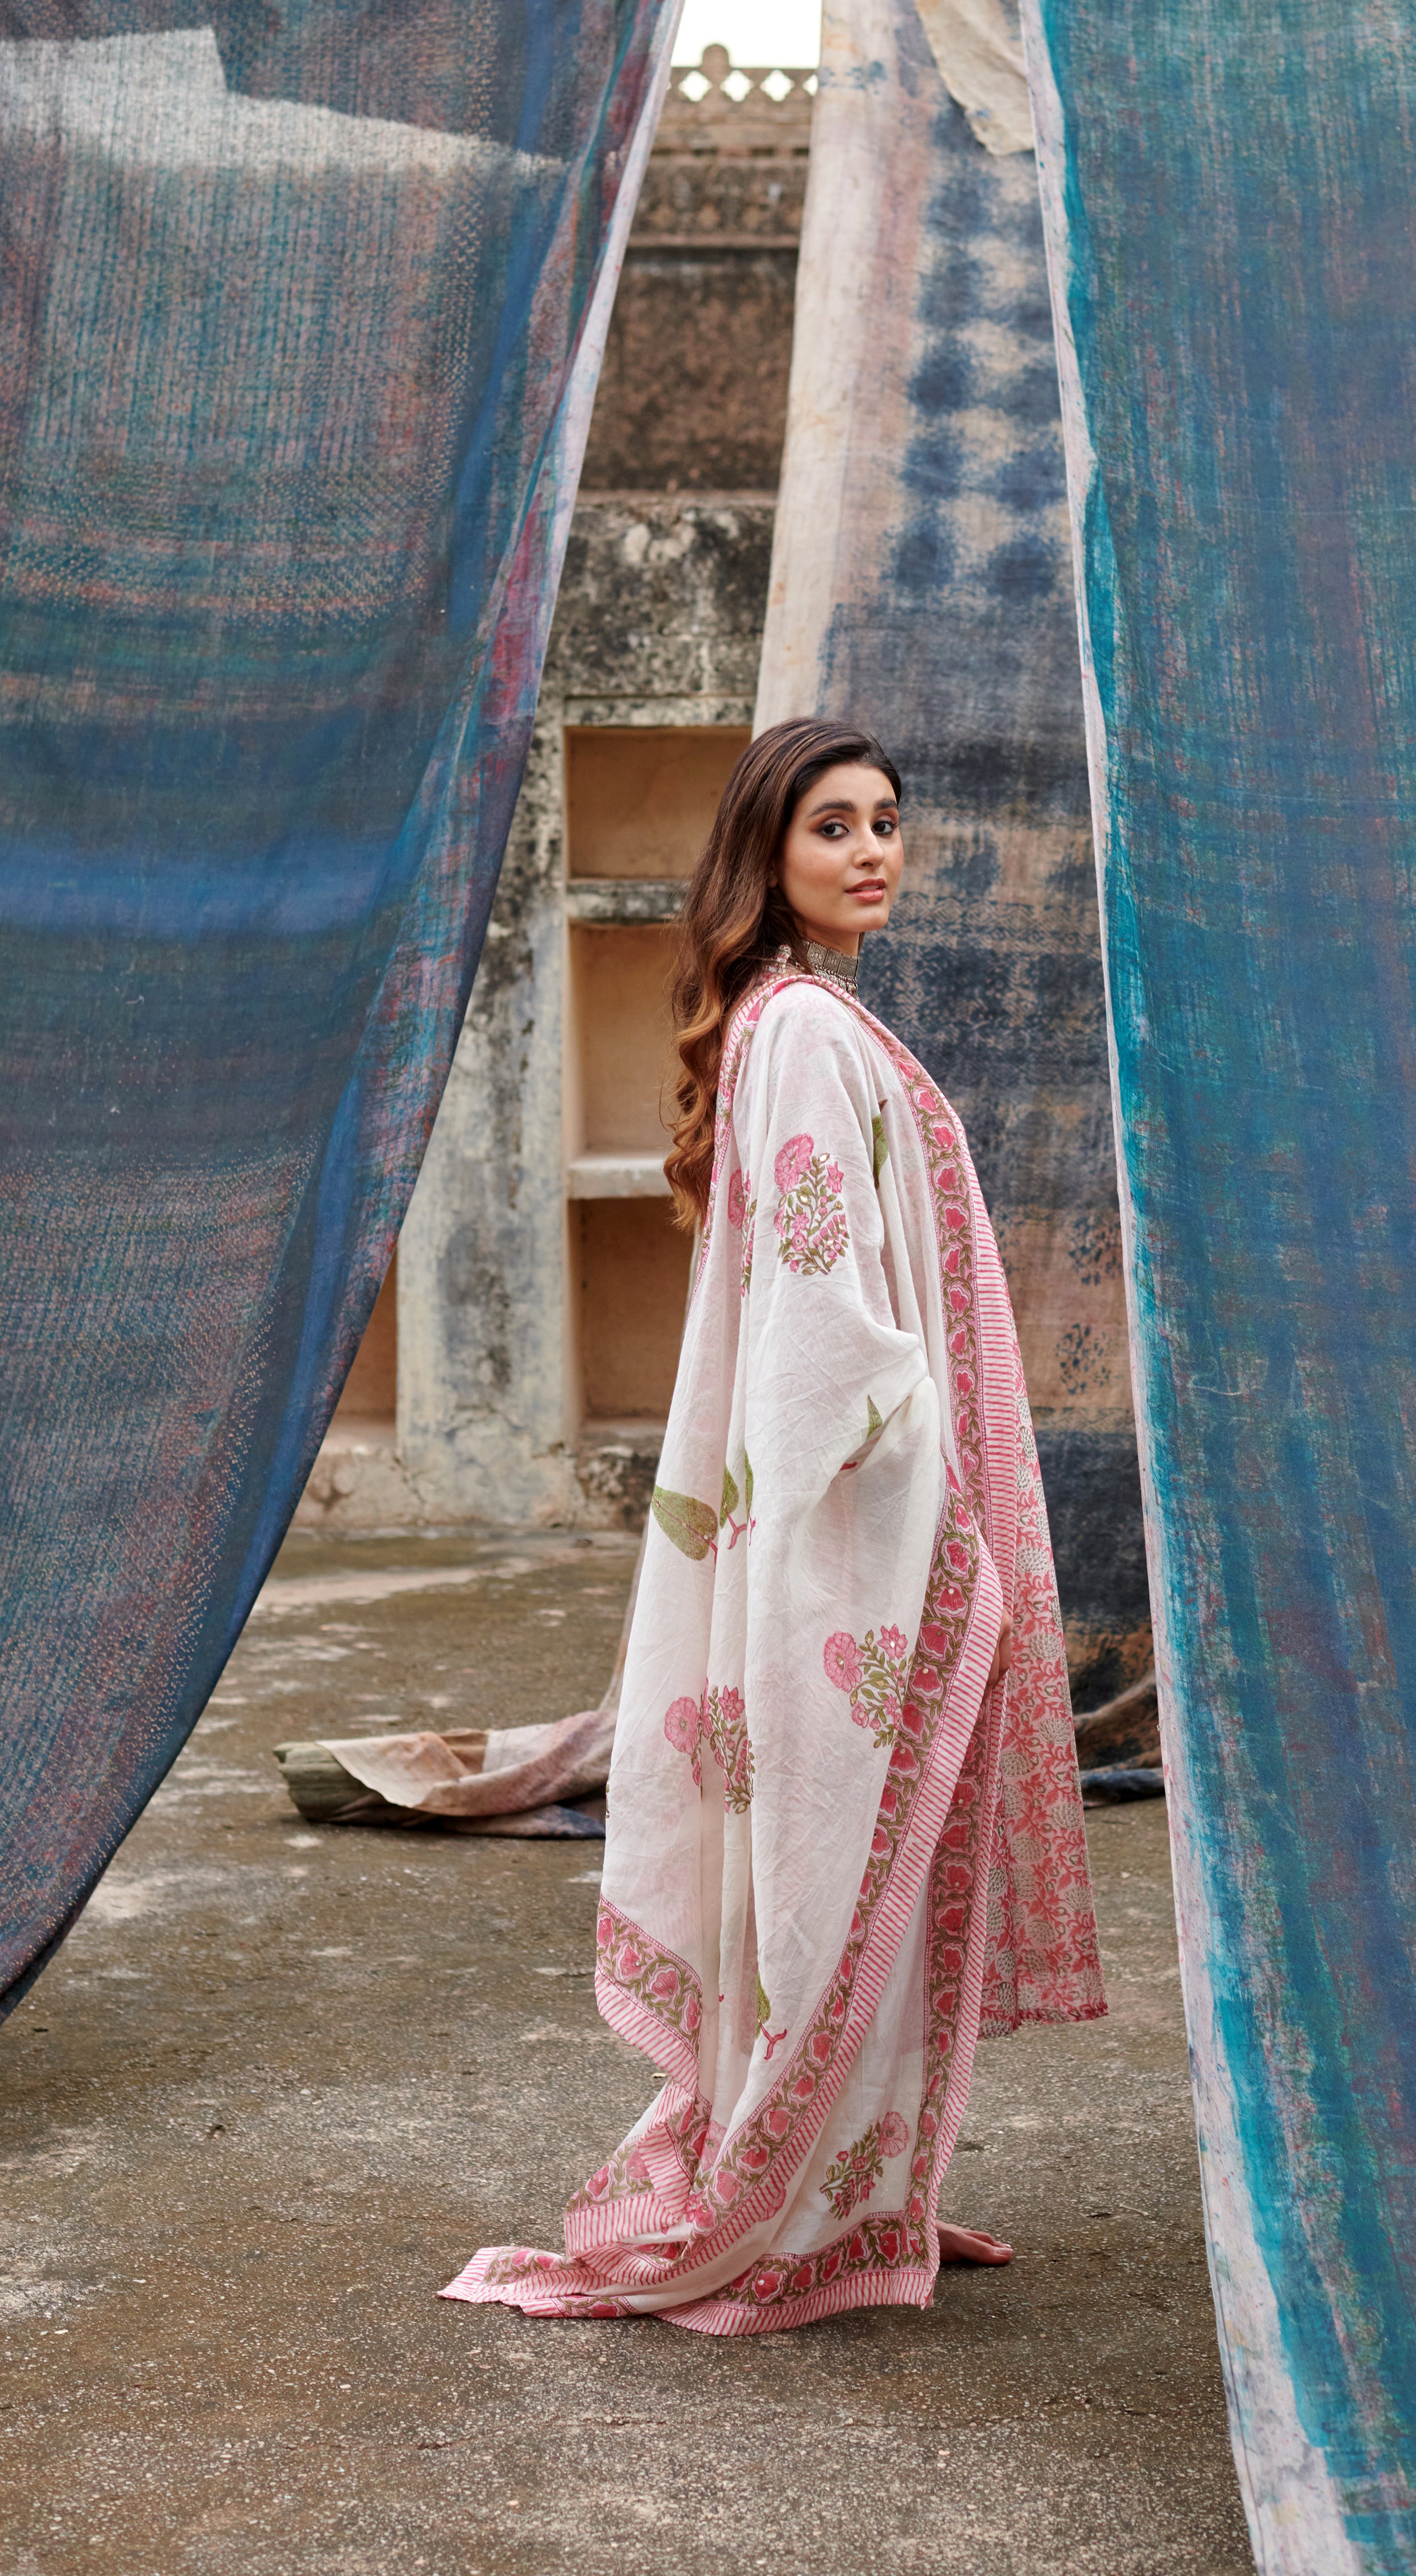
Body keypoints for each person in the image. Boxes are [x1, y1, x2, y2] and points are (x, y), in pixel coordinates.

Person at [443, 718, 1103, 2331]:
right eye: (833, 826)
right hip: (848, 1521)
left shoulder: (793, 1017)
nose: (873, 851)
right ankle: (797, 2201)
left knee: (832, 1860)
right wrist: (933, 1459)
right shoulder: (801, 1026)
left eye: (886, 821)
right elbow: (822, 1309)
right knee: (835, 1861)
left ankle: (850, 2190)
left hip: (829, 1516)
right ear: (769, 852)